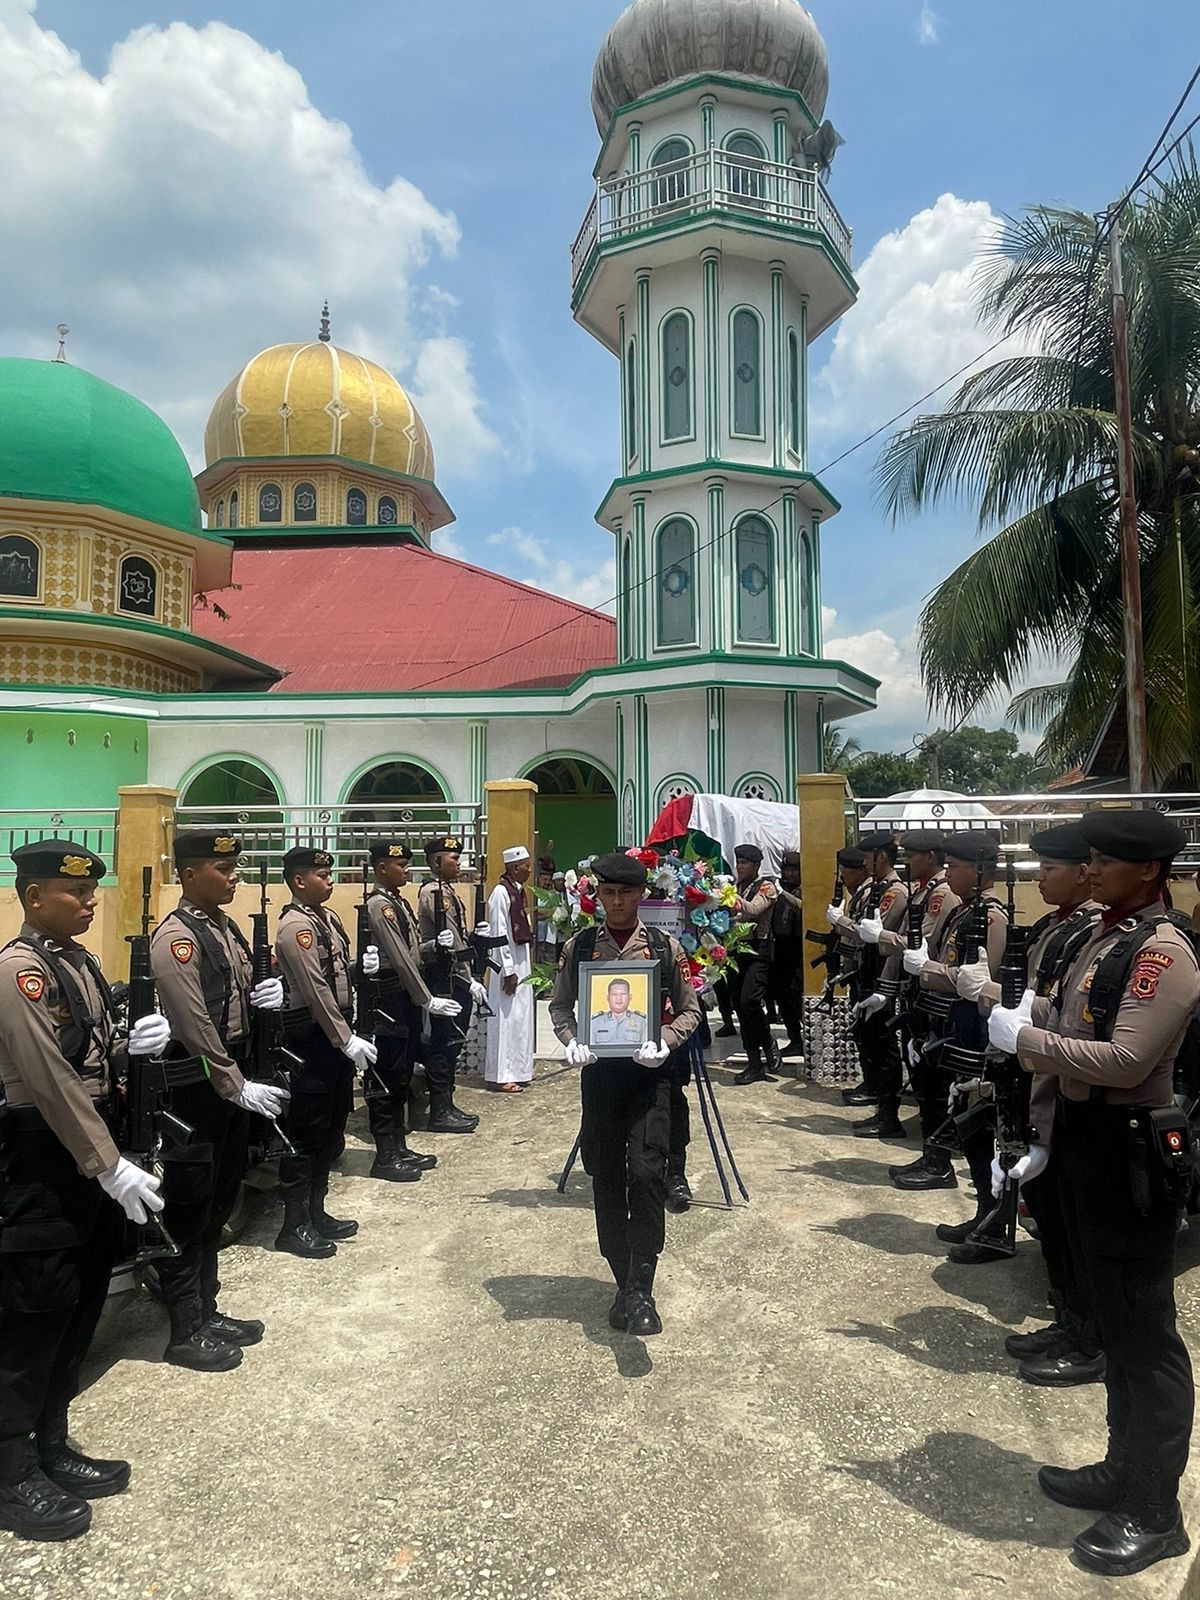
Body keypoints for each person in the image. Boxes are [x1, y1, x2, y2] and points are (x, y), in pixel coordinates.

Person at [988, 811, 1198, 1577]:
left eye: (1107, 860)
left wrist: (1030, 1041)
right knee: (1112, 1320)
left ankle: (1155, 1510)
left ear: (1147, 870)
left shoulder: (1162, 952)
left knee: (1145, 1339)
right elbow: (1074, 1016)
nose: (1092, 869)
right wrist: (1024, 1013)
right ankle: (1121, 1469)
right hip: (1083, 1138)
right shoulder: (1106, 938)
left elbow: (1126, 1056)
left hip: (1130, 1150)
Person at [0, 842, 168, 1542]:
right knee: (32, 1321)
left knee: (79, 1306)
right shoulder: (20, 971)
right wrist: (108, 1163)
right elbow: (47, 1079)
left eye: (93, 889)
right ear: (34, 896)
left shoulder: (79, 962)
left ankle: (50, 1445)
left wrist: (134, 1047)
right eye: (75, 892)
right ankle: (10, 1477)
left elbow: (90, 1058)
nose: (90, 900)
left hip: (89, 1151)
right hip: (42, 1158)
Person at [957, 823, 1104, 1385]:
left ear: (1083, 873)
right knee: (1051, 1214)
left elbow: (1059, 1009)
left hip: (1064, 1079)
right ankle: (1068, 1316)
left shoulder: (1091, 933)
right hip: (1034, 1073)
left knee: (1075, 1225)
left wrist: (993, 997)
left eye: (1050, 868)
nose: (1041, 878)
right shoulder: (1056, 927)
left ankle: (1087, 1335)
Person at [151, 831, 289, 1372]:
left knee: (217, 1201)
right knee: (188, 1207)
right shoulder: (176, 938)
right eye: (221, 866)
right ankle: (184, 1328)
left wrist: (266, 993)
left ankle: (207, 1309)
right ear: (188, 874)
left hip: (227, 1079)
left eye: (234, 866)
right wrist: (234, 1083)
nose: (233, 875)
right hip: (196, 1088)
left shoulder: (225, 928)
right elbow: (193, 1023)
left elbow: (235, 999)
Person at [550, 851, 701, 1335]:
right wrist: (571, 1041)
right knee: (606, 1176)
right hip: (600, 1079)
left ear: (641, 895)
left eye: (625, 893)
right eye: (607, 893)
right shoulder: (580, 947)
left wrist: (667, 1041)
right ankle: (623, 1280)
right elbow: (560, 1006)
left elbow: (691, 1009)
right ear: (597, 894)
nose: (615, 902)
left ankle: (643, 1285)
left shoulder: (661, 945)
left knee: (647, 1171)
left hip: (648, 1076)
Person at [898, 832, 1007, 1262]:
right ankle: (983, 1211)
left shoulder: (991, 917)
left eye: (958, 866)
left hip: (977, 1037)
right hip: (953, 1028)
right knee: (965, 1122)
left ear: (979, 870)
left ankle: (994, 1218)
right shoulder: (966, 912)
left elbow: (979, 981)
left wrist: (930, 969)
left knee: (981, 1128)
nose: (951, 873)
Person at [273, 847, 363, 1259]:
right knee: (306, 1134)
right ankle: (293, 1226)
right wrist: (344, 1038)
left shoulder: (327, 919)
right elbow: (315, 991)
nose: (330, 880)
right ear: (298, 881)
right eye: (321, 874)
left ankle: (316, 1211)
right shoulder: (295, 927)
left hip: (336, 1036)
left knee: (330, 1128)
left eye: (330, 873)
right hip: (312, 1039)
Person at [365, 840, 455, 1181]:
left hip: (405, 995)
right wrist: (426, 998)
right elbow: (400, 958)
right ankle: (385, 1154)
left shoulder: (397, 902)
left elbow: (413, 950)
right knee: (387, 1074)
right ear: (381, 868)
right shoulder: (379, 906)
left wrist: (434, 946)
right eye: (399, 864)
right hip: (391, 997)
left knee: (402, 1072)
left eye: (406, 863)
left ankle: (398, 1145)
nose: (405, 869)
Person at [417, 836, 489, 1134]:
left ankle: (446, 1104)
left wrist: (475, 937)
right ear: (436, 862)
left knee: (453, 1042)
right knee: (443, 1042)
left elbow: (458, 936)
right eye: (452, 859)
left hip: (456, 975)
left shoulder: (448, 892)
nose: (458, 863)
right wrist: (468, 977)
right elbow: (449, 941)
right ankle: (440, 1109)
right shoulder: (433, 893)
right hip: (445, 978)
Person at [846, 831, 908, 1139]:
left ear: (880, 857)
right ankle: (880, 1105)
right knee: (869, 1040)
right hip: (868, 972)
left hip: (883, 975)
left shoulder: (894, 892)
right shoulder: (878, 888)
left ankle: (888, 1115)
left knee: (884, 1046)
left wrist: (844, 924)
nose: (865, 863)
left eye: (868, 857)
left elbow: (873, 934)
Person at [728, 844, 780, 1086]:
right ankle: (754, 1062)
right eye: (738, 861)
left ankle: (768, 1041)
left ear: (756, 865)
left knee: (750, 1001)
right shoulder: (736, 886)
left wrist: (727, 896)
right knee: (740, 1005)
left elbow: (752, 910)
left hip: (759, 951)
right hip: (736, 951)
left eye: (745, 862)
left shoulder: (767, 886)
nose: (739, 866)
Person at [485, 846, 535, 1093]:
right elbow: (498, 934)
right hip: (508, 965)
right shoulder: (500, 894)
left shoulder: (518, 891)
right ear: (514, 867)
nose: (529, 869)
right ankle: (502, 1074)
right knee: (506, 1019)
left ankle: (520, 1069)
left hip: (521, 961)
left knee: (521, 1017)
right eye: (526, 866)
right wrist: (508, 969)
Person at [825, 847, 873, 1103]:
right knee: (862, 1033)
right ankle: (870, 1083)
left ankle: (875, 1089)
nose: (842, 877)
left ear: (859, 870)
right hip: (857, 971)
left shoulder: (868, 894)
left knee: (871, 1036)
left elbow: (865, 935)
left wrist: (840, 921)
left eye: (846, 872)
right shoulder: (859, 894)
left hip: (869, 972)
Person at [770, 850, 805, 1057]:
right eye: (786, 869)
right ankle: (795, 1039)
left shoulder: (803, 890)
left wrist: (783, 893)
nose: (789, 874)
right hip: (780, 948)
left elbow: (804, 909)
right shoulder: (779, 889)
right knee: (782, 995)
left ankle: (806, 1038)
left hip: (798, 948)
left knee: (796, 995)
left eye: (794, 869)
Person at [590, 977, 649, 1048]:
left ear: (630, 997)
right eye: (614, 994)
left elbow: (645, 1050)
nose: (619, 998)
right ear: (608, 997)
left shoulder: (642, 1021)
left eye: (623, 994)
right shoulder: (595, 1022)